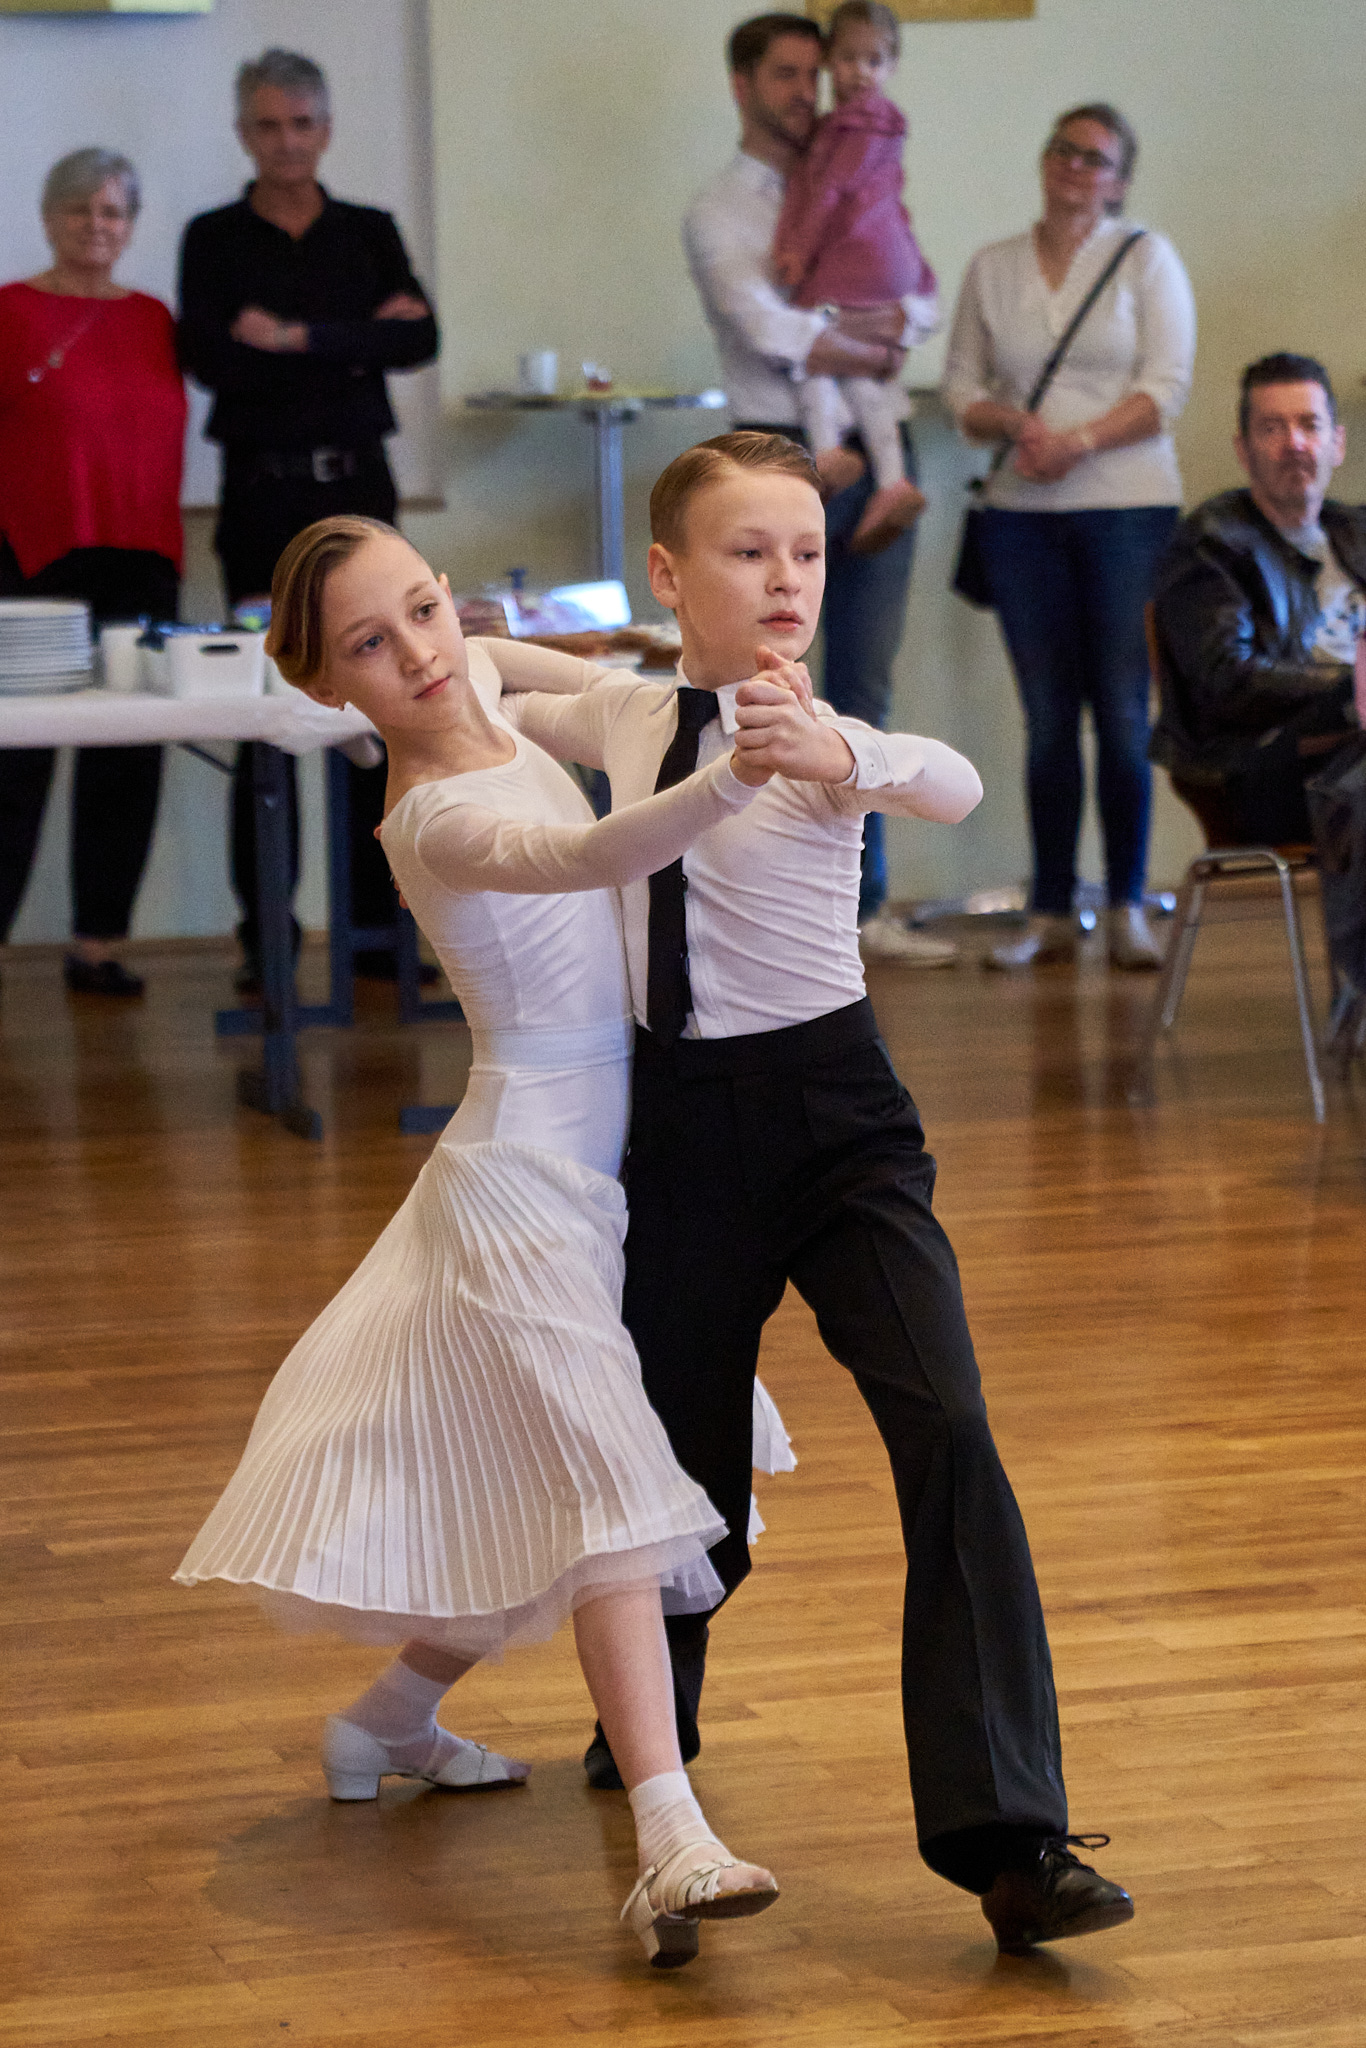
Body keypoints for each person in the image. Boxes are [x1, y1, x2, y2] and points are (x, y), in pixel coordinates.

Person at [486, 431, 1136, 1953]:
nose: (786, 578)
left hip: (844, 1129)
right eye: (747, 550)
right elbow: (521, 680)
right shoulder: (634, 712)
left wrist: (844, 758)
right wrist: (443, 642)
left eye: (806, 551)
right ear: (668, 574)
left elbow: (951, 782)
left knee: (950, 1427)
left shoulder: (824, 734)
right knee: (678, 1473)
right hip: (678, 1133)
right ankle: (655, 1731)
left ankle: (1011, 1838)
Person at [175, 514, 851, 1966]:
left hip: (612, 1177)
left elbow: (582, 676)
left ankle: (384, 1722)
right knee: (606, 1491)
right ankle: (671, 1841)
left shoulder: (474, 669)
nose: (420, 654)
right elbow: (594, 846)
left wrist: (677, 669)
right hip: (522, 1189)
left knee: (529, 1487)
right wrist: (733, 770)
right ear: (325, 684)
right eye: (372, 644)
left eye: (423, 609)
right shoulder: (431, 818)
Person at [683, 11, 956, 966]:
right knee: (760, 686)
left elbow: (918, 297)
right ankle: (765, 909)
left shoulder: (862, 172)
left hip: (875, 453)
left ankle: (862, 908)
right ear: (743, 85)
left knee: (865, 681)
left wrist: (888, 327)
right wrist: (869, 340)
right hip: (769, 455)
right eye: (787, 75)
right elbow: (769, 329)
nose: (809, 92)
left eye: (816, 73)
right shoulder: (721, 207)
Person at [178, 48, 439, 993]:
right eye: (267, 126)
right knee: (265, 717)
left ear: (325, 129)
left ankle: (380, 937)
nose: (286, 142)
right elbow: (210, 359)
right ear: (243, 133)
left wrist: (291, 336)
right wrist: (355, 339)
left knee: (382, 712)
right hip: (261, 497)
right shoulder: (213, 238)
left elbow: (419, 337)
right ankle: (269, 945)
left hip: (359, 492)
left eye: (301, 124)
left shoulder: (368, 229)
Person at [943, 102, 1196, 972]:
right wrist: (1013, 423)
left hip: (1130, 510)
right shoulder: (994, 265)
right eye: (1064, 150)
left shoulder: (1147, 258)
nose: (1075, 167)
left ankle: (1126, 904)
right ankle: (1051, 910)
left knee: (1123, 716)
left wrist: (1077, 442)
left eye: (1095, 158)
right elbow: (960, 388)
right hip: (1020, 519)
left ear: (1120, 181)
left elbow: (1166, 389)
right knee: (1048, 720)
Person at [0, 149, 185, 996]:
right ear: (48, 218)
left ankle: (98, 944)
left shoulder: (154, 317)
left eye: (111, 212)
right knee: (14, 763)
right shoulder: (10, 310)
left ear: (130, 225)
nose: (95, 226)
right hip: (32, 555)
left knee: (127, 757)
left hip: (142, 556)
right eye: (78, 209)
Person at [1151, 353, 1366, 845]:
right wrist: (1350, 686)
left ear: (1337, 443)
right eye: (1272, 428)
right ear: (1243, 450)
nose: (1294, 443)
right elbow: (1227, 679)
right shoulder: (1212, 545)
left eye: (1309, 425)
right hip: (1272, 769)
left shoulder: (1357, 531)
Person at [772, 0, 935, 553]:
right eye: (848, 59)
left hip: (857, 257)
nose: (861, 72)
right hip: (885, 262)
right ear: (829, 62)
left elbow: (827, 191)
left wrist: (796, 250)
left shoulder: (856, 124)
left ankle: (826, 449)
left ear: (892, 66)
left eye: (874, 61)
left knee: (811, 347)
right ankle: (892, 481)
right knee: (863, 373)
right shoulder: (871, 124)